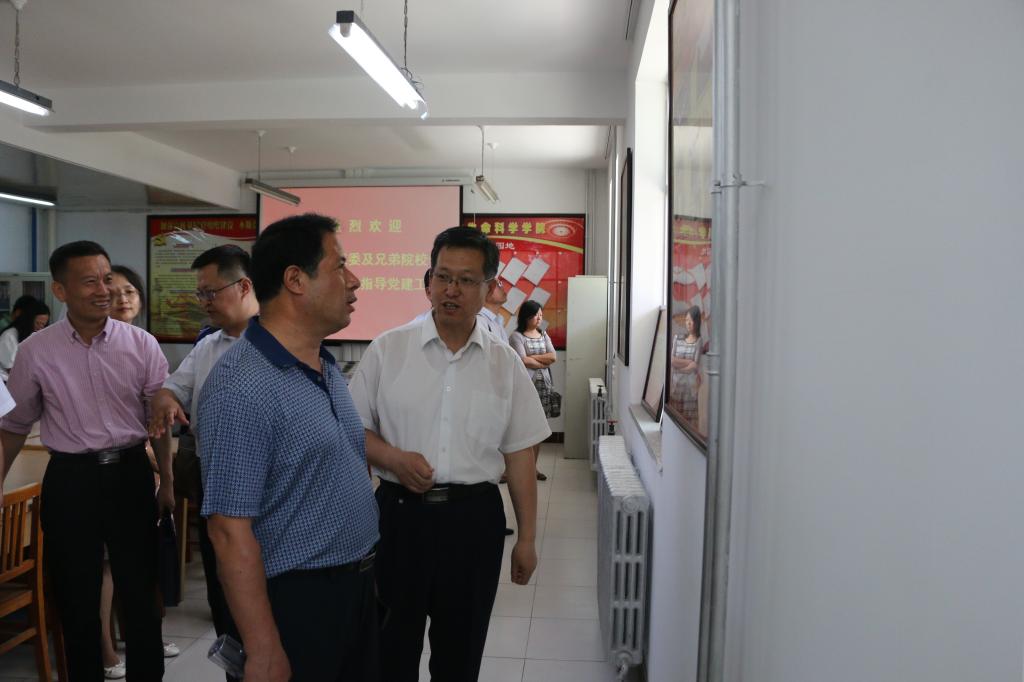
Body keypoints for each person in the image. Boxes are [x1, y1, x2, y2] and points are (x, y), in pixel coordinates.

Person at [350, 226, 550, 682]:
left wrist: (527, 539)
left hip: (473, 522)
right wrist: (393, 459)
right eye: (442, 277)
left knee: (460, 656)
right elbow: (353, 431)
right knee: (389, 651)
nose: (451, 290)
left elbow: (520, 454)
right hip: (399, 518)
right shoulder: (388, 349)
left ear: (488, 289)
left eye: (465, 280)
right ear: (429, 281)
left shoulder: (504, 363)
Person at [198, 214, 379, 682]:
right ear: (296, 280)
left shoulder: (323, 363)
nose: (354, 280)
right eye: (340, 266)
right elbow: (228, 531)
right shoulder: (241, 386)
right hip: (297, 601)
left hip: (355, 589)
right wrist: (263, 647)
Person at [0, 241, 170, 681]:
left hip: (131, 474)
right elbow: (14, 426)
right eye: (90, 281)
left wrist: (167, 484)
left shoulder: (141, 344)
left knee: (140, 595)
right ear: (60, 290)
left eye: (107, 278)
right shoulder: (36, 351)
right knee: (76, 599)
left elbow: (160, 423)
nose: (104, 289)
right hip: (71, 480)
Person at [147, 244, 258, 680]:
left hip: (268, 499)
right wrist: (166, 400)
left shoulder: (279, 342)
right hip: (217, 495)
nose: (204, 302)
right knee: (225, 600)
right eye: (200, 294)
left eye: (211, 292)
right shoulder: (209, 345)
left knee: (268, 605)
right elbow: (172, 388)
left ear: (244, 286)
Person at [100, 264, 178, 678]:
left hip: (138, 469)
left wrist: (162, 473)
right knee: (107, 567)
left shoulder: (144, 344)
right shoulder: (86, 347)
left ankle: (140, 637)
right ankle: (106, 650)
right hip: (104, 470)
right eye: (114, 292)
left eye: (130, 291)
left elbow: (159, 416)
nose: (122, 299)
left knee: (139, 566)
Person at [509, 300, 558, 481]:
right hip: (526, 387)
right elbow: (522, 360)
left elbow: (553, 356)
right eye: (536, 315)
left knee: (538, 430)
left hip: (544, 387)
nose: (539, 318)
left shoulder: (543, 334)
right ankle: (516, 469)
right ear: (526, 316)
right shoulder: (516, 336)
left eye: (541, 315)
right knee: (524, 430)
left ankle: (533, 468)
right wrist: (542, 362)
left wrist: (533, 358)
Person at [0, 299, 49, 382]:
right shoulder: (9, 336)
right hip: (8, 383)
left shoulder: (34, 336)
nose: (40, 328)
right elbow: (12, 370)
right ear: (28, 320)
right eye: (37, 323)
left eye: (43, 324)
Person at [669, 305, 702, 423]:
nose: (688, 323)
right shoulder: (677, 338)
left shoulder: (698, 341)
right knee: (676, 420)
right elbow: (672, 360)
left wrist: (680, 367)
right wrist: (689, 362)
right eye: (687, 320)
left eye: (691, 320)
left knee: (689, 421)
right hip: (676, 387)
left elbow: (694, 366)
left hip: (690, 390)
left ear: (696, 322)